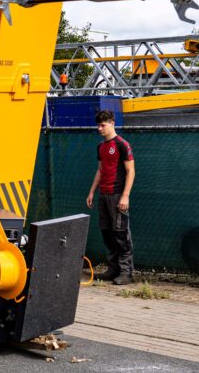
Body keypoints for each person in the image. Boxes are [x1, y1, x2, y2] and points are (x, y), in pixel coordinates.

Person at [86, 109, 135, 285]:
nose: (99, 128)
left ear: (112, 123)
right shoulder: (100, 146)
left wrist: (125, 196)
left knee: (121, 234)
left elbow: (130, 171)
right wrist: (92, 191)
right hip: (103, 195)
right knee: (107, 234)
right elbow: (100, 170)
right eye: (98, 125)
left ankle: (126, 273)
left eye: (103, 125)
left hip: (117, 196)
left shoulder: (122, 144)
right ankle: (113, 269)